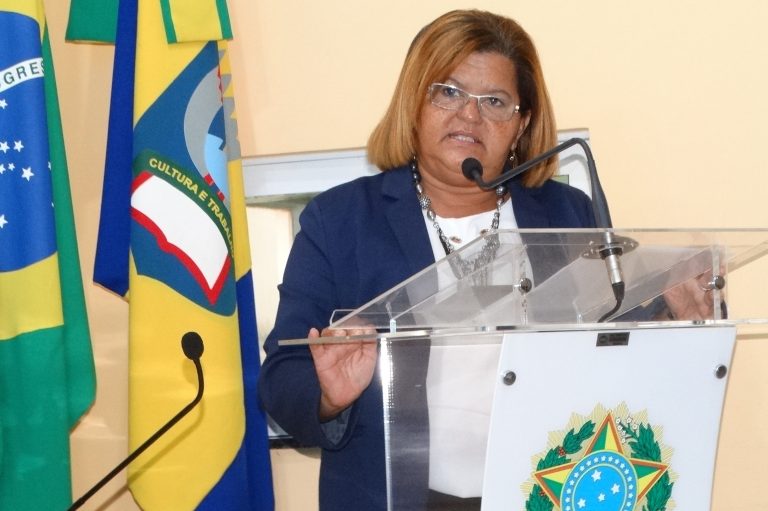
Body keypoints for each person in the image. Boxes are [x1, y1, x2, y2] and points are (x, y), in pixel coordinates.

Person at [259, 9, 605, 510]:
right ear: (414, 103)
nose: (470, 116)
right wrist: (329, 396)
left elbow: (613, 340)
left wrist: (675, 310)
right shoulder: (341, 221)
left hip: (545, 492)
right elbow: (282, 376)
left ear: (521, 123)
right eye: (449, 92)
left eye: (494, 101)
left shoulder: (567, 214)